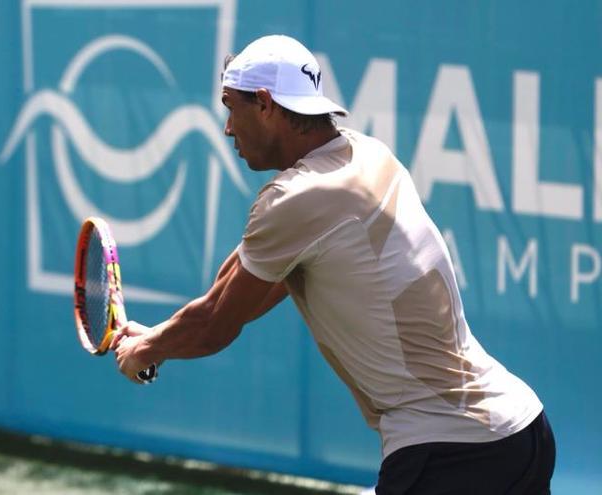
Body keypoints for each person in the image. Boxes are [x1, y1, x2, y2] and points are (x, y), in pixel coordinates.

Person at [112, 35, 555, 494]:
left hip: (454, 447)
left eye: (230, 107)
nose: (227, 128)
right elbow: (231, 295)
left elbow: (214, 325)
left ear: (264, 104)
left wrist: (147, 351)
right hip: (520, 430)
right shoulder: (365, 153)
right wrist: (159, 335)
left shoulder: (296, 200)